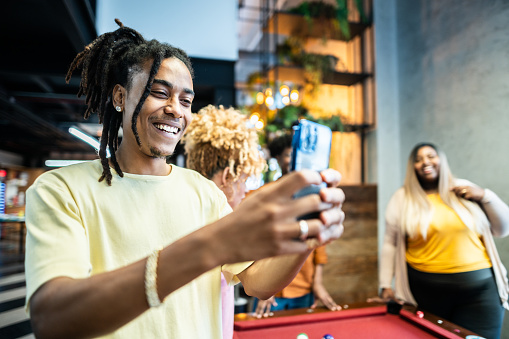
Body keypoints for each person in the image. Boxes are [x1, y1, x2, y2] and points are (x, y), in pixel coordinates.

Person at [24, 20, 346, 339]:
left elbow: (258, 282)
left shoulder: (204, 194)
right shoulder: (61, 191)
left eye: (186, 101)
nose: (175, 110)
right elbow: (53, 318)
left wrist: (310, 231)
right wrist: (208, 246)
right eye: (159, 93)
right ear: (120, 97)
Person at [369, 142, 509, 338]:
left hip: (480, 295)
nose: (425, 162)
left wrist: (485, 196)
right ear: (413, 168)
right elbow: (390, 244)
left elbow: (503, 229)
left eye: (431, 156)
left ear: (441, 160)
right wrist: (385, 285)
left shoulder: (464, 189)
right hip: (426, 295)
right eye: (418, 159)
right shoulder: (402, 198)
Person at [182, 104, 266, 338]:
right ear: (228, 177)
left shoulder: (183, 209)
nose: (244, 191)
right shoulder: (222, 228)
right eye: (244, 181)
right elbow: (262, 286)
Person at [252, 134, 340, 318]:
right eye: (287, 155)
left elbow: (319, 245)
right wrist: (263, 287)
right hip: (270, 293)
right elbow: (255, 245)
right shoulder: (262, 196)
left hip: (304, 288)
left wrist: (317, 283)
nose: (293, 160)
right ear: (276, 158)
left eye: (296, 155)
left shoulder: (314, 196)